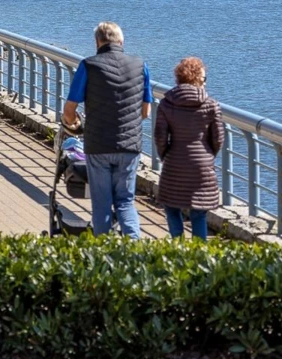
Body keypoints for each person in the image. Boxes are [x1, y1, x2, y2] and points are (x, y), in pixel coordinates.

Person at [60, 21, 151, 239]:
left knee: (102, 203)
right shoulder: (140, 65)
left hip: (98, 144)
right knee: (126, 201)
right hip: (129, 145)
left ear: (97, 42)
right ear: (122, 41)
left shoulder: (89, 65)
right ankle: (134, 251)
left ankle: (104, 256)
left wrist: (73, 124)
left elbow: (69, 109)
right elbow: (145, 112)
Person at [153, 57, 223, 241]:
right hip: (201, 166)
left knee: (171, 206)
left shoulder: (167, 103)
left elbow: (160, 136)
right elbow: (218, 138)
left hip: (174, 162)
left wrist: (166, 156)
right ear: (199, 79)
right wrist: (208, 156)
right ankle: (199, 252)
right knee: (199, 212)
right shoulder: (211, 105)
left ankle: (178, 245)